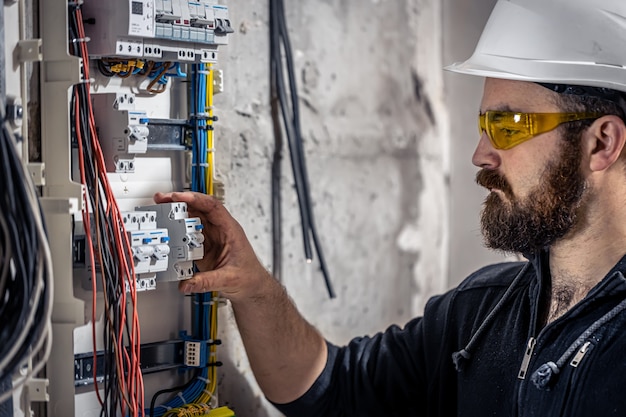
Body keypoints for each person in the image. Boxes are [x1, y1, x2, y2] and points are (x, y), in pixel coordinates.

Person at [155, 0, 626, 415]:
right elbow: (331, 388)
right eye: (484, 123)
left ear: (601, 142)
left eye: (509, 125)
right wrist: (253, 287)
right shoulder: (481, 312)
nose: (480, 154)